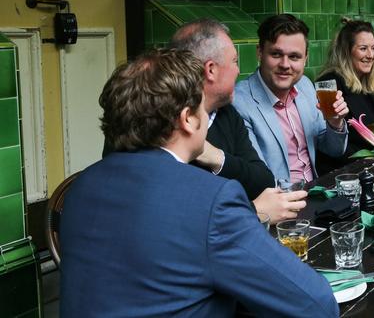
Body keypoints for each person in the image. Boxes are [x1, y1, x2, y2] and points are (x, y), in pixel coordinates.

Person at [60, 49, 338, 317]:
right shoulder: (211, 199)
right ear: (188, 119)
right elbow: (316, 303)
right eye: (202, 106)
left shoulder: (80, 188)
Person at [171, 19, 306, 223]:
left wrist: (215, 156)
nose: (238, 70)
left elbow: (262, 180)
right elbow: (183, 219)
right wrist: (254, 211)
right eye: (234, 61)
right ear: (210, 70)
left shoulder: (225, 113)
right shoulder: (165, 125)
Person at [233, 14, 348, 182]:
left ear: (305, 59)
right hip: (279, 201)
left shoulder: (305, 86)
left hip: (315, 191)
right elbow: (256, 177)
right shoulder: (239, 102)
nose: (285, 65)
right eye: (276, 54)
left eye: (294, 57)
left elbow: (334, 150)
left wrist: (335, 123)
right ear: (260, 52)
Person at [316, 20, 374, 172]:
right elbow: (330, 146)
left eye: (373, 48)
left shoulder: (366, 83)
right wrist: (367, 160)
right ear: (346, 51)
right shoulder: (328, 84)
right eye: (363, 49)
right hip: (344, 175)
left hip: (372, 169)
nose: (370, 55)